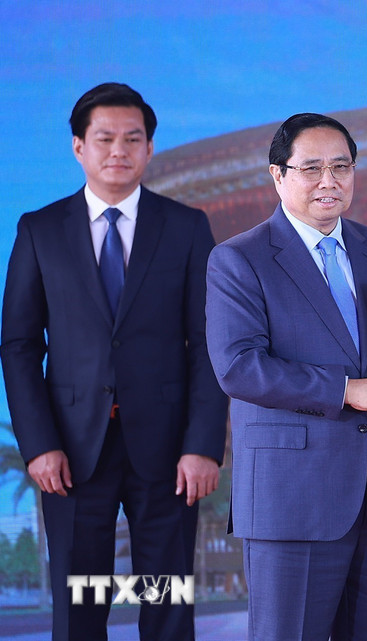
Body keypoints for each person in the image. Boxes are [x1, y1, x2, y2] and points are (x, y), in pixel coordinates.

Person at [0, 83, 227, 641]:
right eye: (104, 138)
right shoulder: (40, 230)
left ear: (149, 148)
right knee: (83, 599)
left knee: (166, 596)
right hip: (72, 453)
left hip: (169, 454)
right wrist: (39, 445)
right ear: (79, 147)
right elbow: (20, 345)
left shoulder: (186, 227)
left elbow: (209, 342)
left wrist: (202, 446)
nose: (118, 150)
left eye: (132, 138)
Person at [205, 112, 367, 641]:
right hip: (292, 499)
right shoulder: (239, 259)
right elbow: (239, 367)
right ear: (278, 176)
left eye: (341, 167)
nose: (329, 181)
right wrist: (348, 389)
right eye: (311, 168)